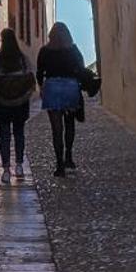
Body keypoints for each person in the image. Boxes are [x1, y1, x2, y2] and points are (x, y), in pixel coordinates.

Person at [36, 21, 87, 176]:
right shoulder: (73, 50)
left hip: (52, 89)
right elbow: (81, 69)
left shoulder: (44, 51)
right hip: (70, 88)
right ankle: (68, 157)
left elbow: (39, 72)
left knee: (56, 129)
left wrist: (41, 87)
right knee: (70, 123)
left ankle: (59, 165)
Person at [0, 29, 35, 184]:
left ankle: (6, 170)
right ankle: (19, 165)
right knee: (19, 133)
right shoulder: (23, 59)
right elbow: (31, 78)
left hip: (2, 104)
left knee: (4, 136)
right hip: (20, 104)